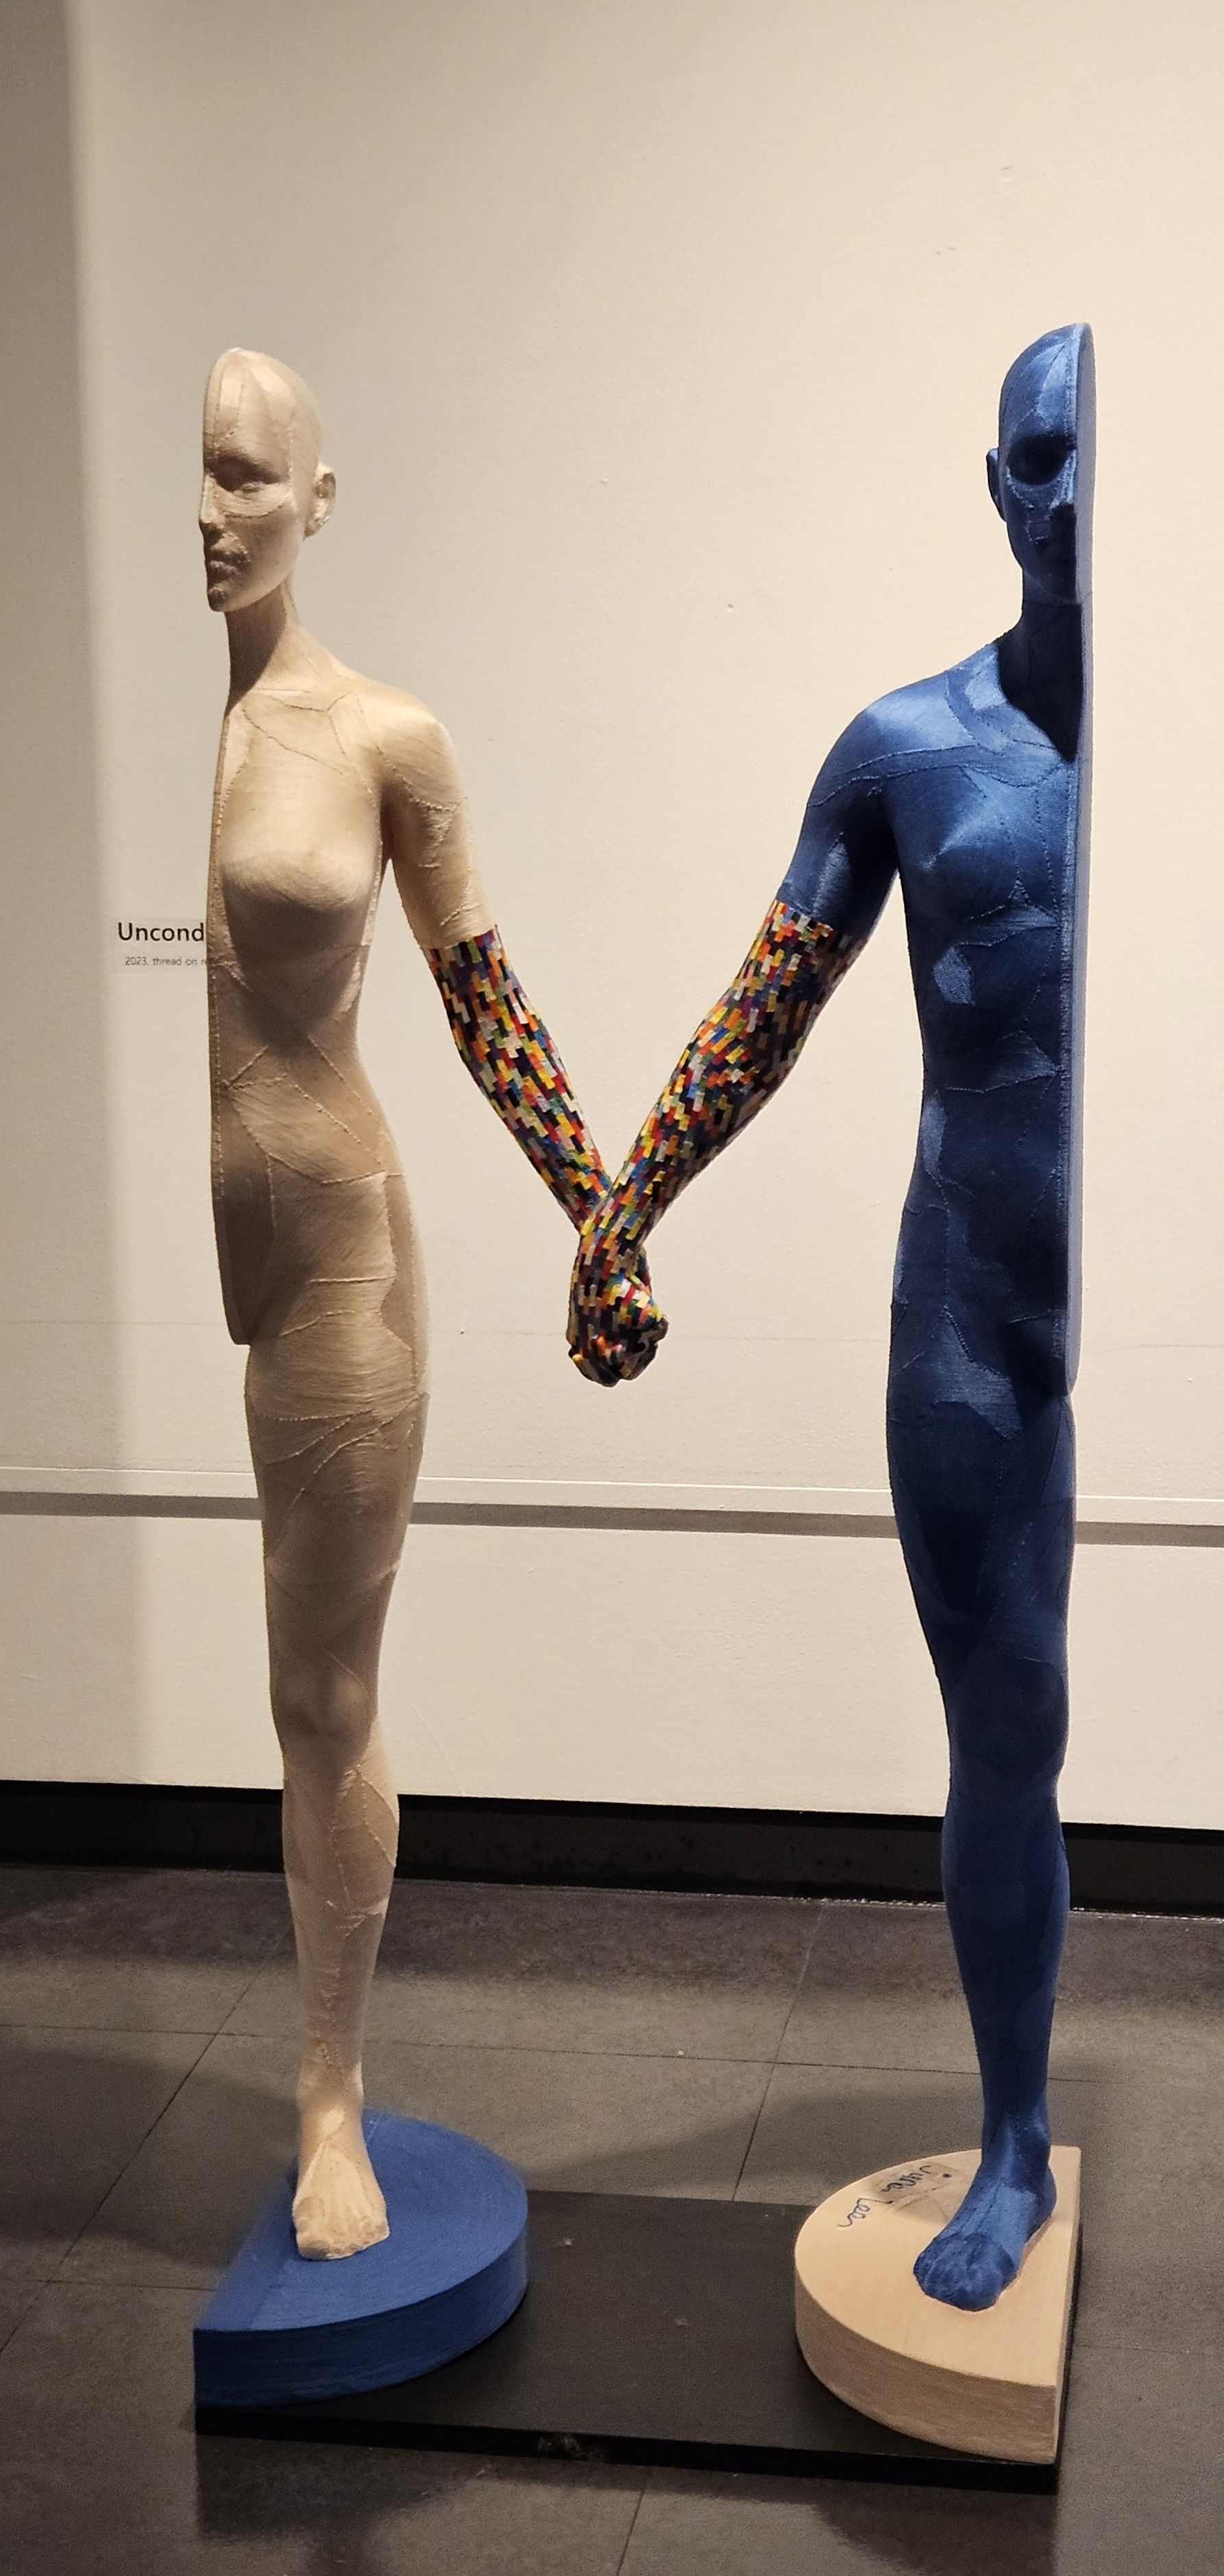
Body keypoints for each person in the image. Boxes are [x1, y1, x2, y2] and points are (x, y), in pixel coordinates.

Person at [569, 326, 1094, 2312]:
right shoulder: (909, 748)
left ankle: (1021, 2132)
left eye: (1098, 456)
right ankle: (1015, 2140)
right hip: (971, 1300)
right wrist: (622, 1204)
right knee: (1004, 1727)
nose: (1072, 497)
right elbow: (766, 1001)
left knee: (1024, 1725)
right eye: (1039, 457)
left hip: (1100, 1287)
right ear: (992, 484)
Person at [201, 347, 656, 2259]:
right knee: (286, 1692)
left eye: (248, 476)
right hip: (258, 1270)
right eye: (200, 473)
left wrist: (602, 1216)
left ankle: (332, 2101)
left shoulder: (380, 734)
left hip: (345, 1265)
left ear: (320, 497)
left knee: (328, 1696)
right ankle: (322, 2081)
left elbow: (485, 1001)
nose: (213, 511)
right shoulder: (226, 716)